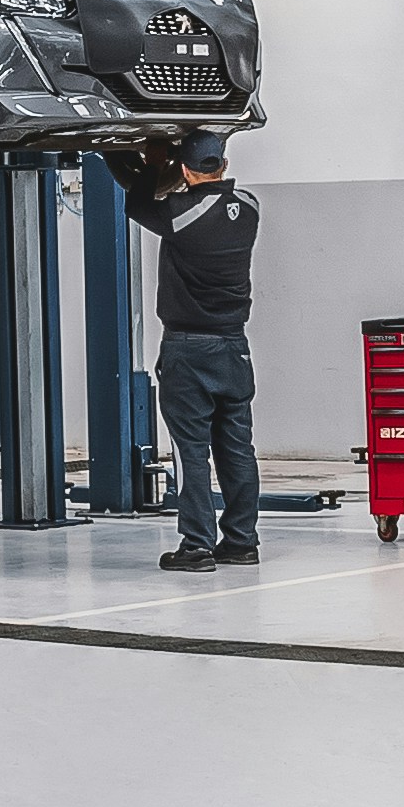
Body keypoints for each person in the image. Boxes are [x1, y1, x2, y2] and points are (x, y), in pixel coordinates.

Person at [136, 135, 265, 569]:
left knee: (190, 449)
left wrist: (154, 164)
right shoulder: (249, 208)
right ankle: (242, 541)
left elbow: (137, 204)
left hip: (188, 349)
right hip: (234, 347)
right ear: (223, 164)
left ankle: (196, 546)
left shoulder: (180, 214)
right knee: (237, 447)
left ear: (186, 171)